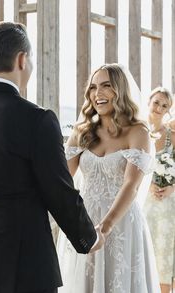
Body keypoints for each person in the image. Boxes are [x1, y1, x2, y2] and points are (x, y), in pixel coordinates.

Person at [0, 22, 104, 293]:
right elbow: (59, 192)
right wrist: (89, 237)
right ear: (21, 59)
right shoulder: (37, 119)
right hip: (23, 269)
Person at [57, 63, 161, 293]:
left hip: (121, 223)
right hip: (84, 223)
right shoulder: (82, 131)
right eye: (93, 87)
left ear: (120, 90)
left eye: (106, 86)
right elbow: (62, 179)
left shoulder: (138, 132)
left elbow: (131, 185)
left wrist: (105, 227)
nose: (98, 94)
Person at [144, 87, 175, 293]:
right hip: (143, 200)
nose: (159, 108)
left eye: (165, 106)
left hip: (166, 205)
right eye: (156, 102)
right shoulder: (138, 129)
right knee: (146, 252)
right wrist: (147, 183)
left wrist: (172, 186)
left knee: (164, 254)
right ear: (149, 102)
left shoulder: (171, 135)